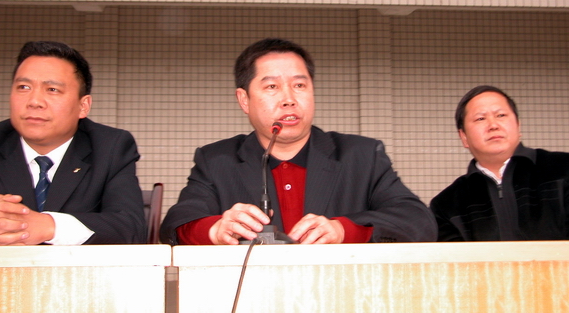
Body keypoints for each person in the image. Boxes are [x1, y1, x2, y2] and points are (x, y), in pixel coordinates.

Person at [160, 38, 436, 245]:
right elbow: (176, 224)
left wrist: (344, 230)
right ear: (244, 100)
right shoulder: (216, 160)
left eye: (299, 85)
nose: (289, 99)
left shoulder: (362, 156)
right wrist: (215, 229)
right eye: (272, 87)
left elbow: (419, 222)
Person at [0, 41, 146, 245]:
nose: (34, 101)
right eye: (23, 87)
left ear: (83, 106)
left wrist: (48, 226)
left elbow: (130, 228)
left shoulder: (110, 147)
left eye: (52, 89)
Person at [430, 85, 569, 241]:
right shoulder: (446, 204)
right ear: (464, 137)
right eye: (480, 118)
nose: (493, 125)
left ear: (518, 125)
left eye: (501, 115)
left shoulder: (563, 169)